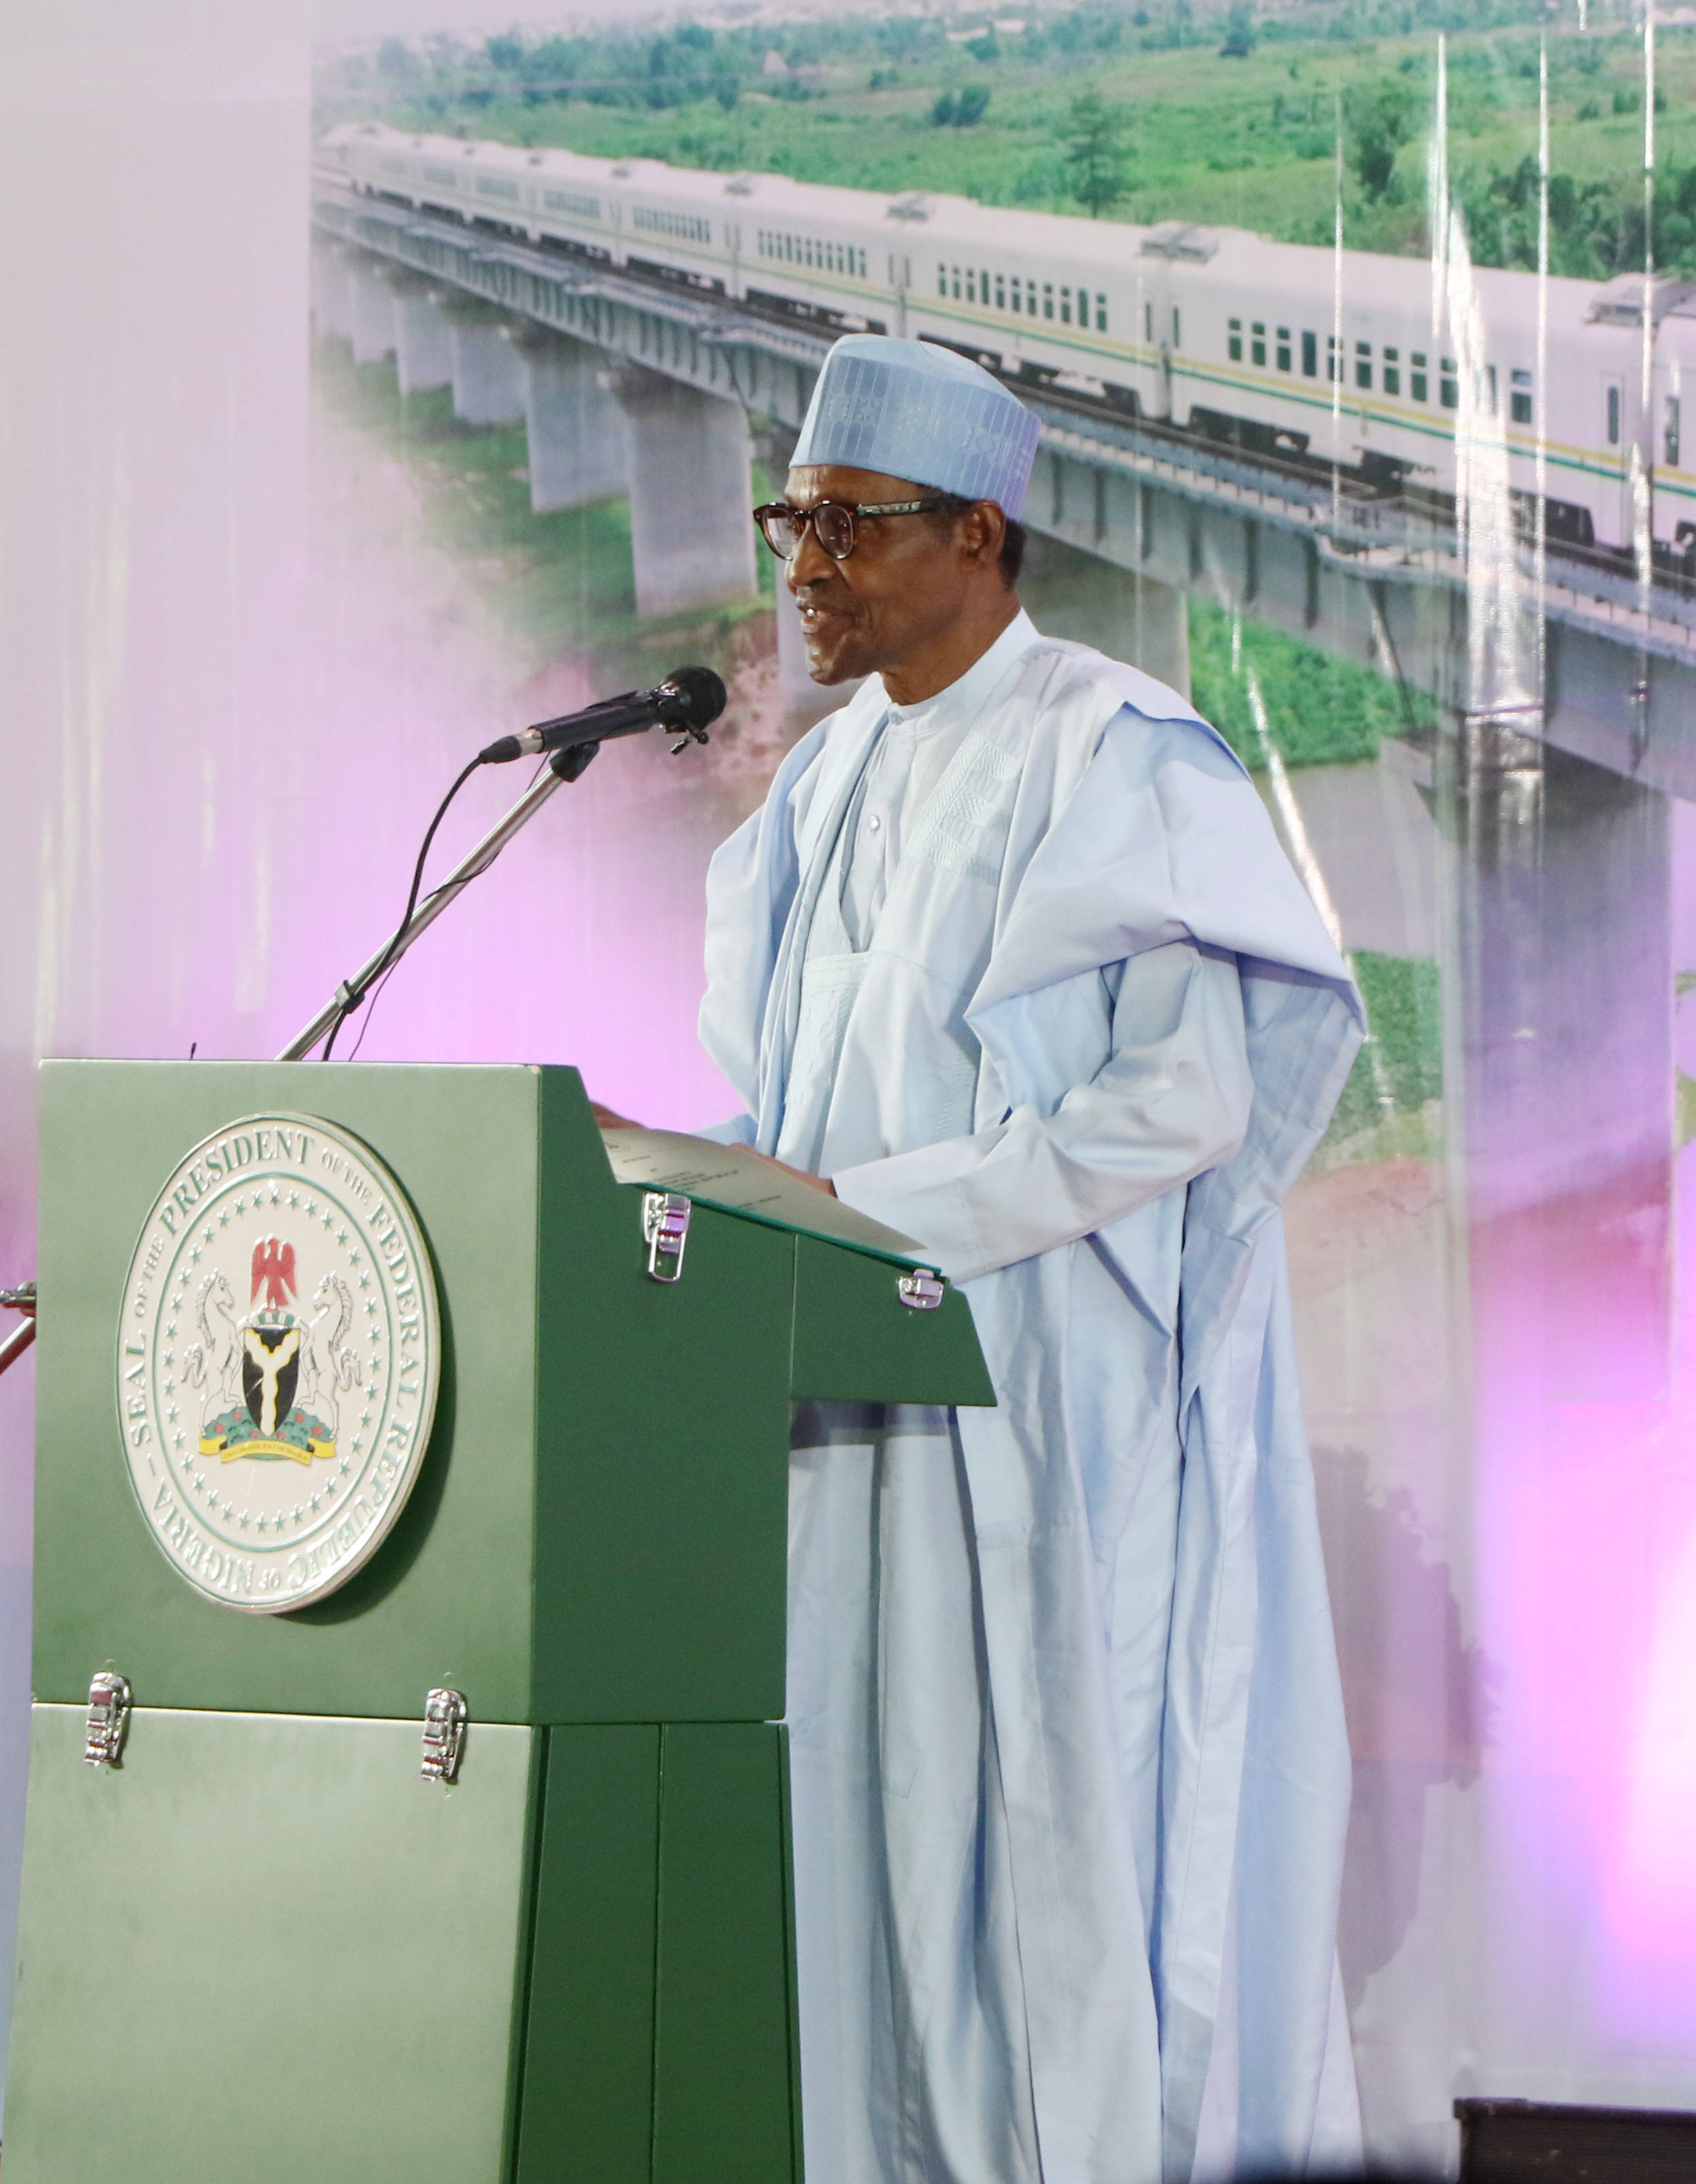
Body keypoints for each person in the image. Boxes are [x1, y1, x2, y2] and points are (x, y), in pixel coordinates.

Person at [677, 333, 1369, 2182]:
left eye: (847, 527)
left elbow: (1185, 1103)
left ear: (977, 534)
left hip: (1042, 1396)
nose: (803, 567)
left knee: (1035, 1828)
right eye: (791, 524)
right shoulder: (825, 786)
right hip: (841, 1380)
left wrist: (893, 1218)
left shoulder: (1113, 752)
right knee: (853, 1808)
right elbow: (781, 1091)